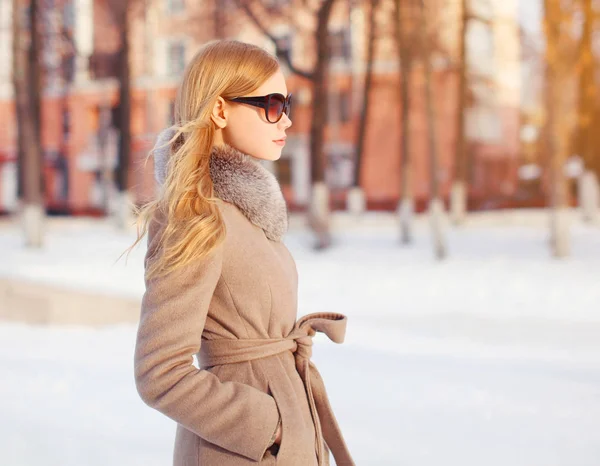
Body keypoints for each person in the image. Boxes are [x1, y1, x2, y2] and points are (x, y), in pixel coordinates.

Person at [129, 39, 355, 465]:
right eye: (271, 104)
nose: (285, 120)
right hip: (238, 450)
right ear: (219, 110)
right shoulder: (194, 216)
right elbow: (159, 372)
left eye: (287, 104)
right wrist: (270, 424)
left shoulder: (248, 215)